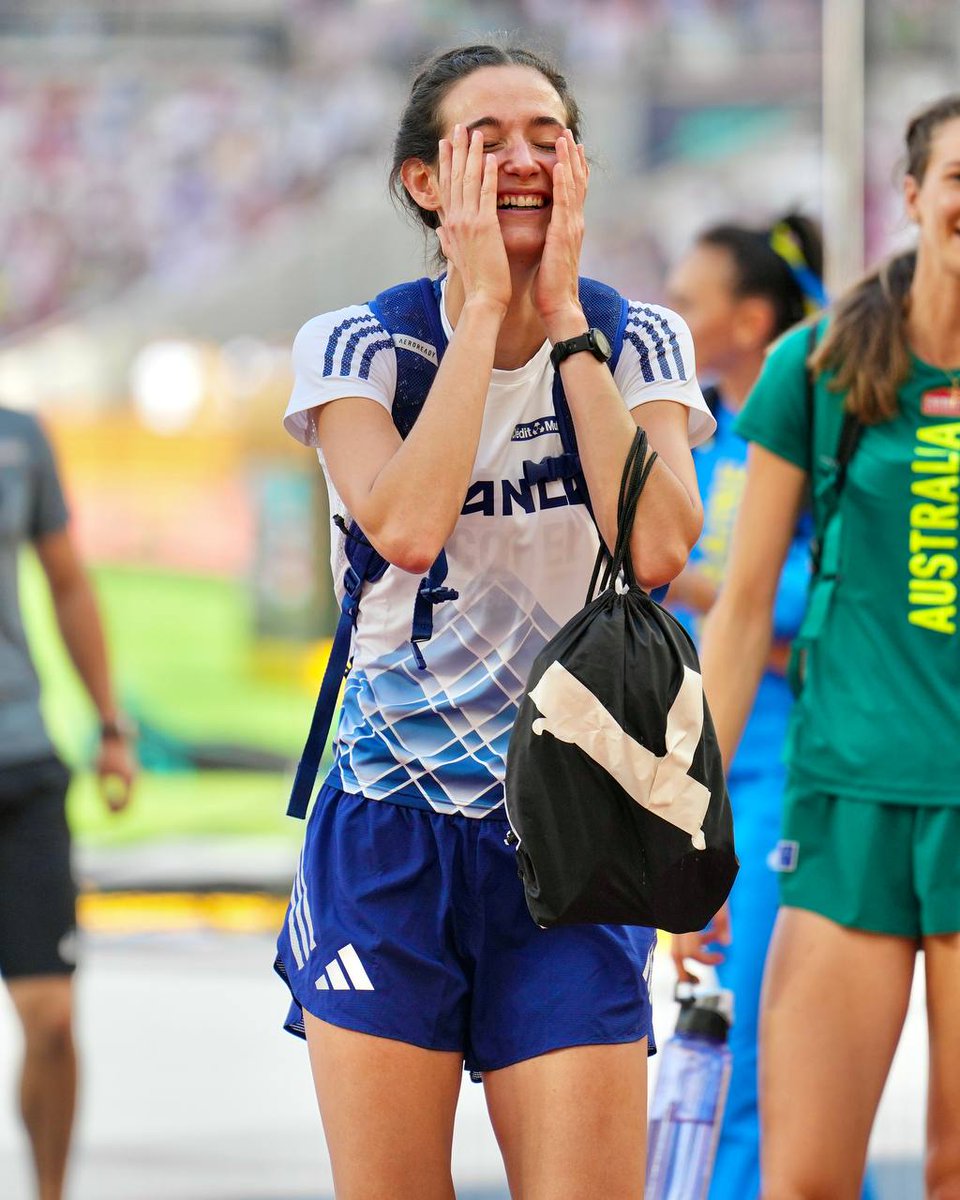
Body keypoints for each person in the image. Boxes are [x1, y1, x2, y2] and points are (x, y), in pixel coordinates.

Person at [275, 41, 714, 1199]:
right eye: (487, 141)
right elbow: (406, 528)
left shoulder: (638, 339)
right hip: (389, 833)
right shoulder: (359, 344)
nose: (523, 159)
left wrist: (564, 321)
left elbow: (664, 545)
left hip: (572, 833)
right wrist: (479, 316)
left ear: (580, 165)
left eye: (546, 137)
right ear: (427, 182)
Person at [696, 93, 960, 1199]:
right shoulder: (816, 365)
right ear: (913, 195)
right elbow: (743, 608)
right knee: (801, 1180)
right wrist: (695, 830)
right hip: (844, 804)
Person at [663, 215, 832, 1200]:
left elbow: (823, 605)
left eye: (689, 300)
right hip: (708, 773)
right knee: (725, 1052)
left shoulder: (811, 430)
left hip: (785, 781)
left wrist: (709, 588)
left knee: (746, 1058)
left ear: (751, 318)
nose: (670, 317)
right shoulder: (707, 439)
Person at [0, 404, 135, 1200]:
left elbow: (68, 583)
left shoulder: (21, 439)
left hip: (23, 764)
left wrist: (111, 728)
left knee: (51, 1020)